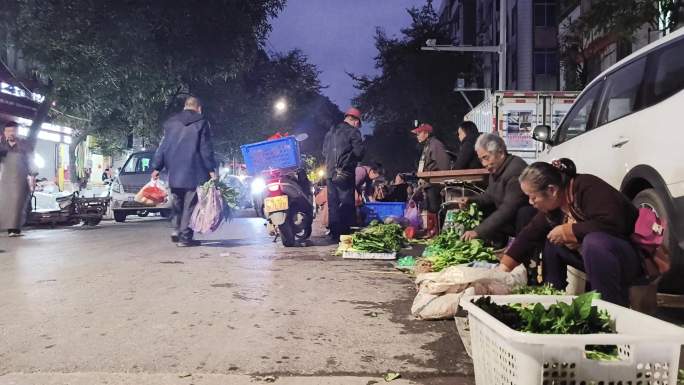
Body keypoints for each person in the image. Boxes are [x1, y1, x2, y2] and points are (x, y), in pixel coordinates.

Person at [498, 159, 642, 306]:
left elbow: (614, 222)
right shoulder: (556, 203)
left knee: (593, 242)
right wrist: (503, 269)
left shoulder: (587, 187)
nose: (530, 202)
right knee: (553, 239)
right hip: (597, 258)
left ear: (551, 190)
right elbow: (530, 233)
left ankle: (608, 306)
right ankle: (552, 297)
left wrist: (570, 230)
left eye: (533, 197)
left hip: (629, 256)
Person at [151, 96, 217, 247]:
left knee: (177, 203)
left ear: (185, 106)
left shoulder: (171, 123)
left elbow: (163, 146)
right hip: (194, 171)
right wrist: (211, 169)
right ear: (198, 108)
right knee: (190, 205)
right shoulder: (201, 122)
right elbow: (205, 148)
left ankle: (176, 230)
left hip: (174, 170)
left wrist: (157, 167)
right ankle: (185, 237)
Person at [460, 133, 535, 248]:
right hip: (509, 218)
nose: (484, 164)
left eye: (486, 158)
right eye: (481, 160)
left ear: (500, 152)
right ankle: (497, 245)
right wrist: (470, 200)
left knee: (524, 212)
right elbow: (489, 196)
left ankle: (525, 252)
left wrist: (478, 231)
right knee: (483, 207)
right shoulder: (496, 169)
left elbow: (508, 209)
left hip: (525, 220)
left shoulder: (515, 170)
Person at [322, 107, 365, 241]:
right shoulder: (353, 132)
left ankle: (334, 234)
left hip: (329, 174)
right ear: (355, 120)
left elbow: (324, 152)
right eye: (358, 123)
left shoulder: (330, 133)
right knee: (347, 203)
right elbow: (359, 153)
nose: (358, 125)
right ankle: (346, 234)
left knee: (333, 204)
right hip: (345, 173)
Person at [0, 121, 35, 237]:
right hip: (4, 180)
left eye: (13, 131)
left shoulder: (24, 145)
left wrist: (32, 178)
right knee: (4, 204)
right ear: (4, 133)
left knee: (17, 205)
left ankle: (14, 229)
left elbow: (31, 162)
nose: (11, 133)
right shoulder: (2, 146)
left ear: (18, 132)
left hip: (20, 181)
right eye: (8, 131)